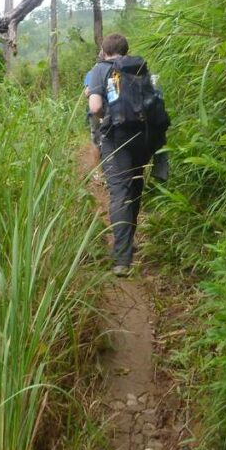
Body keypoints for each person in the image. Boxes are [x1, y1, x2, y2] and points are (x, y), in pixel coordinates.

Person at [86, 33, 166, 276]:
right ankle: (128, 243)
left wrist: (103, 123)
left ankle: (122, 258)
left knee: (119, 191)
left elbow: (96, 107)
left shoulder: (100, 70)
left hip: (117, 137)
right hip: (145, 136)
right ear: (126, 49)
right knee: (135, 185)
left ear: (104, 49)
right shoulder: (140, 67)